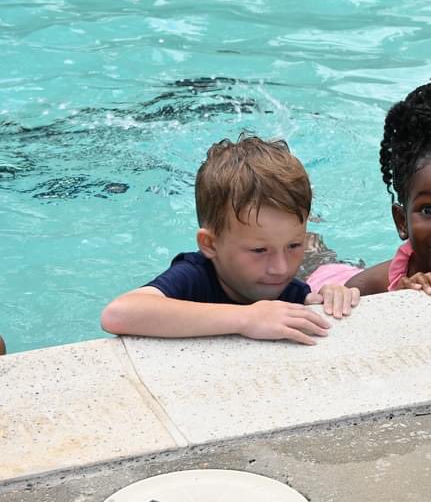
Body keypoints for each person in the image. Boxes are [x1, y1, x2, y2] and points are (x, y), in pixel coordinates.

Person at [101, 135, 358, 345]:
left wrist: (331, 296)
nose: (281, 267)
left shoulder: (285, 288)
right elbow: (119, 313)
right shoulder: (195, 276)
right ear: (210, 245)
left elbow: (308, 304)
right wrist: (246, 318)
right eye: (259, 250)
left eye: (294, 245)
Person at [309, 79, 431, 296]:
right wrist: (396, 299)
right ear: (401, 221)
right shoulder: (367, 289)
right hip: (325, 280)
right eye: (428, 210)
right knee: (309, 253)